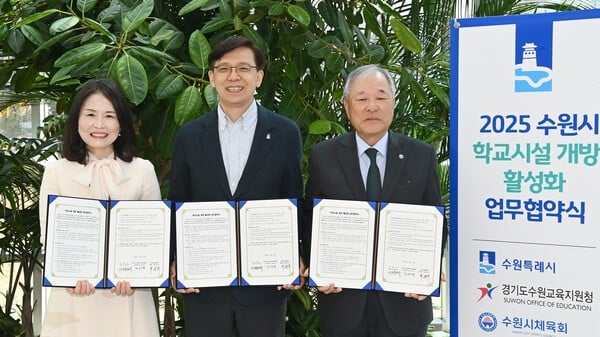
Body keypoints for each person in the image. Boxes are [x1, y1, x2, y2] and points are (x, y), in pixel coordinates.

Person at [168, 35, 304, 337]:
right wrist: (175, 261)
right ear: (211, 77)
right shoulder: (190, 136)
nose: (234, 77)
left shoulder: (285, 133)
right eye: (224, 68)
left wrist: (297, 256)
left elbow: (294, 199)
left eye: (243, 68)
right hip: (203, 281)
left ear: (259, 77)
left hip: (266, 283)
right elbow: (178, 201)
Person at [302, 64, 448, 337]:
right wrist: (318, 268)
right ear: (347, 107)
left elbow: (435, 220)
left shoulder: (420, 155)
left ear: (393, 104)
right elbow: (311, 219)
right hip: (342, 301)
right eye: (361, 99)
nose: (372, 106)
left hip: (404, 302)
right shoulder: (324, 155)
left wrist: (427, 270)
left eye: (381, 98)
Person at [38, 79, 161, 337]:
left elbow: (154, 240)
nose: (99, 125)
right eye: (90, 115)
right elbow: (49, 238)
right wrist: (68, 276)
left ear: (121, 124)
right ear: (76, 120)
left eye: (109, 116)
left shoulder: (143, 170)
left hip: (128, 299)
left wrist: (138, 278)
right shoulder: (56, 171)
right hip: (73, 301)